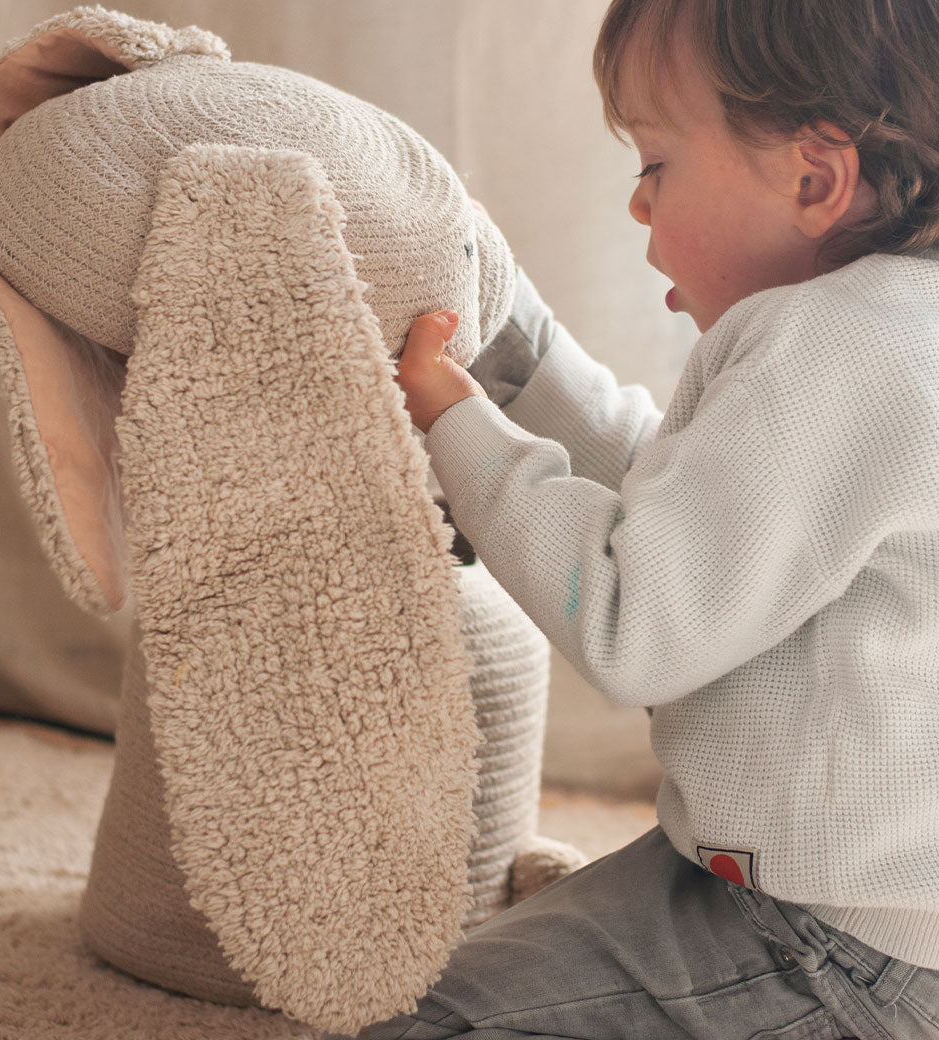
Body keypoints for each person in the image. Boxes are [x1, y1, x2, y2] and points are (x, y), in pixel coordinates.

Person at [370, 0, 939, 1037]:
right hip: (859, 916)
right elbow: (687, 512)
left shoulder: (833, 346)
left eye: (653, 165)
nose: (636, 206)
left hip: (827, 951)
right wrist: (522, 367)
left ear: (813, 179)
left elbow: (634, 615)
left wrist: (459, 426)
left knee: (421, 1022)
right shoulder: (897, 331)